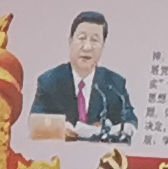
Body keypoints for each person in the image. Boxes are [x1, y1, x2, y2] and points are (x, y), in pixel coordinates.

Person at [31, 11, 136, 139]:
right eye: (82, 38)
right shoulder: (49, 81)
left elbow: (130, 120)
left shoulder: (114, 84)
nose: (87, 47)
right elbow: (35, 123)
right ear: (70, 41)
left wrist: (118, 129)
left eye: (95, 40)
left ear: (103, 46)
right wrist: (59, 128)